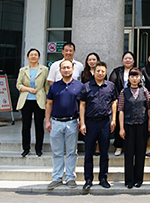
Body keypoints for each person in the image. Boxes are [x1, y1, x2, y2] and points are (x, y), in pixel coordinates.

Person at [78, 62, 118, 192]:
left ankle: (103, 178)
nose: (100, 73)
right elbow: (82, 104)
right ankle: (88, 179)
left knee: (104, 153)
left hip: (105, 122)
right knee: (88, 152)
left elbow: (114, 102)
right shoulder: (86, 86)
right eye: (98, 71)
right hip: (90, 123)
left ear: (106, 73)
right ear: (94, 72)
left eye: (103, 71)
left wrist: (114, 119)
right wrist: (82, 122)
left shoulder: (110, 86)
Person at [45, 60, 84, 190]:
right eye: (64, 68)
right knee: (57, 152)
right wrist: (47, 121)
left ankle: (70, 177)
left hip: (72, 122)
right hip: (56, 122)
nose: (66, 70)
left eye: (68, 67)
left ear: (73, 69)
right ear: (60, 70)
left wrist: (81, 121)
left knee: (72, 152)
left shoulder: (79, 86)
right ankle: (57, 178)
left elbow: (82, 105)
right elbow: (49, 103)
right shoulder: (54, 86)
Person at [118, 68, 150, 189]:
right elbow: (121, 110)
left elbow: (149, 107)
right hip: (128, 125)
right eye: (132, 76)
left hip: (142, 125)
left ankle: (138, 179)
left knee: (140, 152)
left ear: (140, 78)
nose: (134, 79)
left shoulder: (145, 91)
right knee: (129, 153)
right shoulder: (124, 92)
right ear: (129, 78)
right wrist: (121, 128)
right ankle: (129, 180)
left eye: (136, 76)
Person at [16, 48, 49, 158]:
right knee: (26, 126)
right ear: (28, 57)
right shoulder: (23, 70)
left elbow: (47, 86)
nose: (33, 56)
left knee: (39, 125)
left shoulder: (44, 69)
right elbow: (18, 85)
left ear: (39, 57)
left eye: (35, 55)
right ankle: (26, 148)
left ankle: (38, 149)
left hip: (39, 100)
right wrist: (28, 89)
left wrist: (48, 99)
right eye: (31, 55)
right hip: (26, 100)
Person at [109, 51, 136, 156]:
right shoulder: (117, 71)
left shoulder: (136, 71)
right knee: (119, 123)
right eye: (125, 58)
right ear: (122, 60)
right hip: (120, 100)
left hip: (133, 101)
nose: (128, 60)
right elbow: (112, 85)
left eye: (130, 58)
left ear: (133, 60)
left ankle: (131, 146)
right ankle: (119, 146)